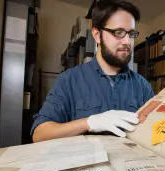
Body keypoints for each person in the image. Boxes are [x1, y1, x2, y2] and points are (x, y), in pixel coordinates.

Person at [31, 0, 154, 142]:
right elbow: (40, 134)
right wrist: (88, 123)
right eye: (118, 32)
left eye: (131, 34)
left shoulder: (143, 86)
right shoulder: (69, 80)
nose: (127, 41)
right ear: (97, 35)